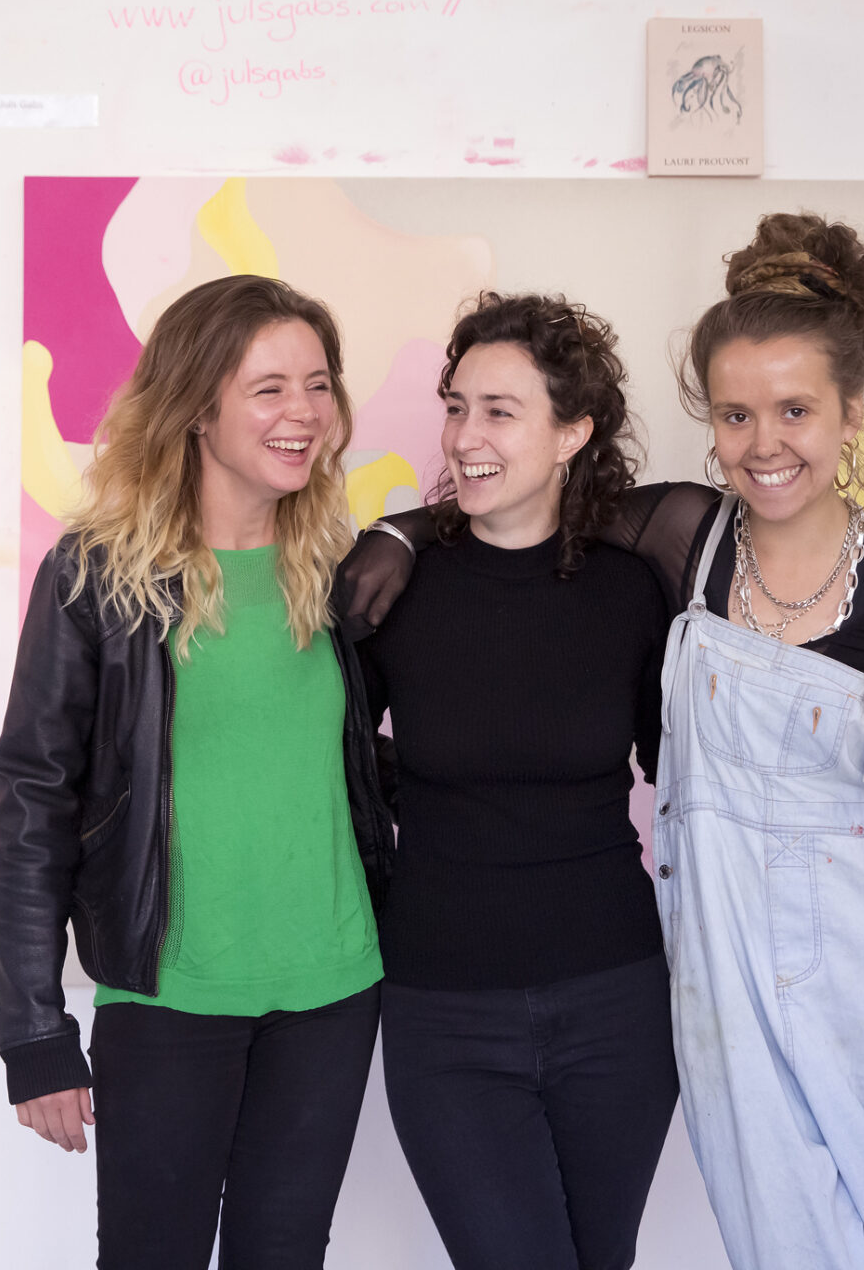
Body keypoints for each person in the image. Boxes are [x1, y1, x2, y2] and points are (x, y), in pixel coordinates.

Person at [348, 213, 864, 1270]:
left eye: (797, 410)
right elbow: (515, 510)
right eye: (736, 415)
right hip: (715, 973)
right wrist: (400, 527)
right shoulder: (679, 540)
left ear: (852, 415)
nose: (765, 444)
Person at [0, 275, 395, 1270]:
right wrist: (34, 1033)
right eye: (268, 388)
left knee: (284, 1254)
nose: (303, 412)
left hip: (334, 994)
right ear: (196, 408)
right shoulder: (96, 576)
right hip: (169, 999)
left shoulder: (341, 572)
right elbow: (32, 800)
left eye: (317, 385)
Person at [354, 292, 679, 1270]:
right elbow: (326, 755)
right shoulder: (394, 583)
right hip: (444, 1011)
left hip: (618, 1004)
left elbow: (690, 765)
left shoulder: (634, 592)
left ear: (572, 431)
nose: (464, 436)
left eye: (500, 411)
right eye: (457, 407)